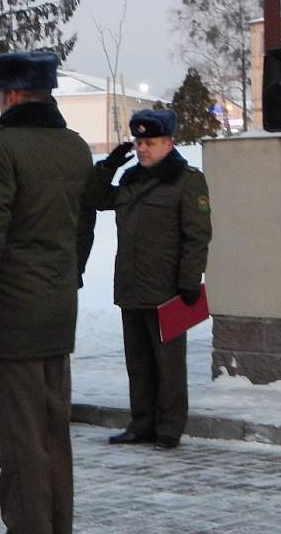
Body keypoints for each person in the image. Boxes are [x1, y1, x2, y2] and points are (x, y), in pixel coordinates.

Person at [0, 51, 96, 534]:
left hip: (12, 316)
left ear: (10, 94)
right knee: (55, 436)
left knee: (20, 445)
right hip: (57, 310)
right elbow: (84, 226)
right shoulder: (75, 147)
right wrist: (65, 277)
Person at [86, 109, 212, 451]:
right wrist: (110, 164)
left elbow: (197, 235)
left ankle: (169, 428)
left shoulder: (187, 180)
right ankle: (141, 423)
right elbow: (95, 198)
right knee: (138, 363)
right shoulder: (131, 179)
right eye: (139, 142)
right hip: (131, 285)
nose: (142, 149)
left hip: (167, 288)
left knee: (168, 365)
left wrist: (189, 280)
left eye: (150, 142)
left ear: (168, 143)